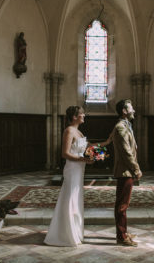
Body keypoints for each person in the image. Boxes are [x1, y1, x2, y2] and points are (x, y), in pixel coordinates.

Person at [44, 106, 111, 247]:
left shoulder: (78, 132)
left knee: (76, 198)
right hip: (73, 169)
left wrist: (107, 143)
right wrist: (84, 159)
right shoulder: (69, 131)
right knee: (70, 198)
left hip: (79, 169)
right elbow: (65, 154)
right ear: (74, 117)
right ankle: (65, 235)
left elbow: (89, 147)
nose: (84, 115)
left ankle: (74, 231)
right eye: (81, 114)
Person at [110, 99, 142, 246]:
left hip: (127, 171)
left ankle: (123, 232)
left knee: (123, 204)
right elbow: (126, 152)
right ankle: (121, 236)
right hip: (125, 171)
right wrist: (136, 169)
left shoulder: (126, 125)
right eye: (131, 108)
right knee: (122, 205)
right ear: (124, 111)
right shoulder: (121, 127)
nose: (133, 110)